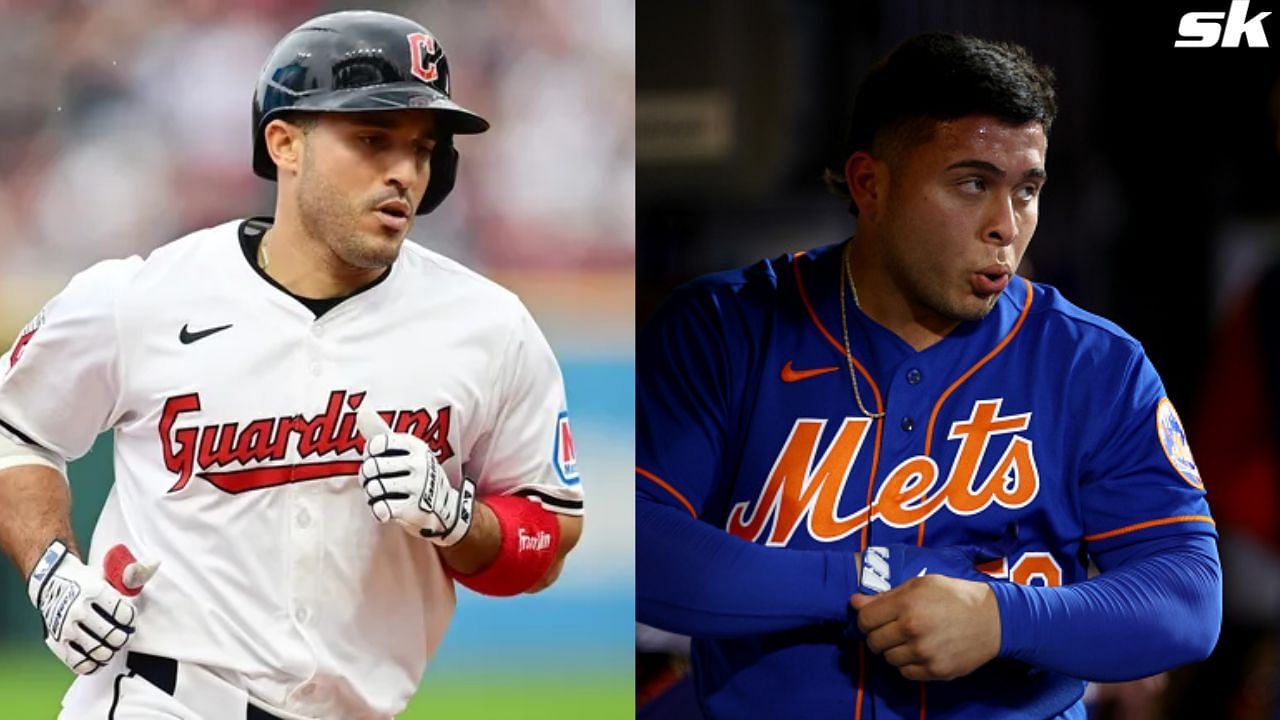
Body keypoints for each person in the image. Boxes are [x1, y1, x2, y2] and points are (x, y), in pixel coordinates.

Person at [0, 10, 584, 719]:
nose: (404, 172)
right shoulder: (145, 296)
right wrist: (53, 572)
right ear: (285, 143)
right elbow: (16, 429)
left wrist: (460, 521)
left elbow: (546, 537)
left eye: (422, 148)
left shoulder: (488, 328)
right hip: (165, 700)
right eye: (372, 140)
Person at [635, 32, 1220, 719]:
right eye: (972, 183)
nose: (1006, 225)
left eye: (1026, 190)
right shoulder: (729, 328)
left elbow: (1187, 594)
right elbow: (637, 546)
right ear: (869, 184)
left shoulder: (1093, 362)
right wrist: (867, 576)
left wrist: (1004, 618)